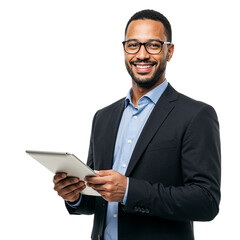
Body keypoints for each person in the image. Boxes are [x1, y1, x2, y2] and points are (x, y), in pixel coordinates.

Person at [53, 9, 221, 240]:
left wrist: (130, 191)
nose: (141, 55)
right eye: (133, 45)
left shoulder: (196, 115)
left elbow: (206, 201)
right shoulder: (103, 117)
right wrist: (75, 196)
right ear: (124, 50)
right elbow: (98, 202)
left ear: (168, 51)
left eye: (153, 45)